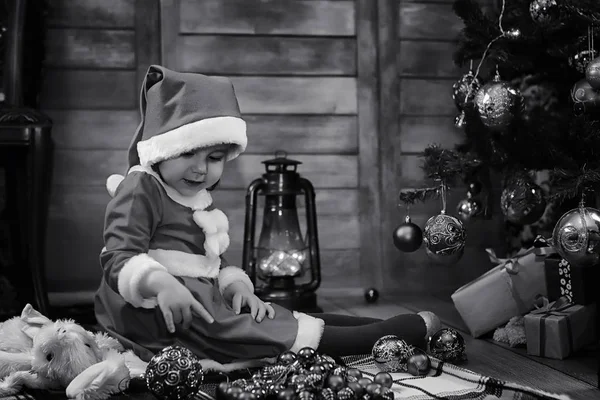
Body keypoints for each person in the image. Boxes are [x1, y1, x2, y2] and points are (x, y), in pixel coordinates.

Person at [94, 65, 441, 371]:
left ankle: (370, 324)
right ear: (163, 148)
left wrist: (238, 285)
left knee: (267, 314)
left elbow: (208, 261)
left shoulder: (193, 196)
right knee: (251, 334)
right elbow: (118, 256)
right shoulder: (142, 186)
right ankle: (375, 335)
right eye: (187, 153)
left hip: (203, 296)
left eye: (214, 157)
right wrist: (162, 284)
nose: (201, 169)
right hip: (158, 311)